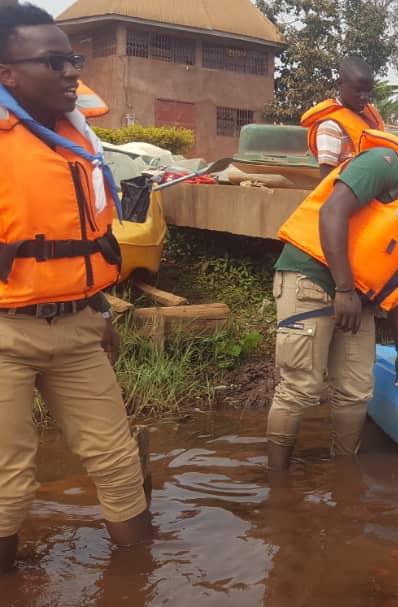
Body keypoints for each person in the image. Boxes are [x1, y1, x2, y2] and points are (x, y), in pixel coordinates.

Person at [0, 2, 153, 574]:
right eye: (53, 62)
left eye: (73, 60)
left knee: (118, 466)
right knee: (7, 484)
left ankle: (141, 582)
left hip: (78, 326)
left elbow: (90, 239)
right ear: (7, 74)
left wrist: (101, 311)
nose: (70, 73)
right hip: (5, 333)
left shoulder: (77, 139)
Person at [267, 128, 398, 471]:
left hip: (358, 302)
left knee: (356, 391)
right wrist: (344, 289)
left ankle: (343, 477)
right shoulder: (386, 163)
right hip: (312, 279)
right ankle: (276, 481)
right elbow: (332, 211)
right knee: (301, 386)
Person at [300, 55, 386, 178]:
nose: (364, 97)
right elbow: (327, 178)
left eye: (368, 91)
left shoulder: (371, 118)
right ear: (340, 84)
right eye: (358, 90)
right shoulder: (330, 126)